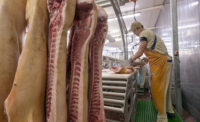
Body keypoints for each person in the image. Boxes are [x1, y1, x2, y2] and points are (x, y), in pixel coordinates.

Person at [129, 21, 175, 122]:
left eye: (134, 31)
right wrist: (145, 60)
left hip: (161, 63)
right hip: (164, 61)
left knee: (159, 88)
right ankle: (169, 110)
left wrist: (131, 59)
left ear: (138, 28)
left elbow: (140, 50)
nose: (134, 33)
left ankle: (162, 117)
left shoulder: (144, 33)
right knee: (164, 88)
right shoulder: (149, 33)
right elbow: (153, 52)